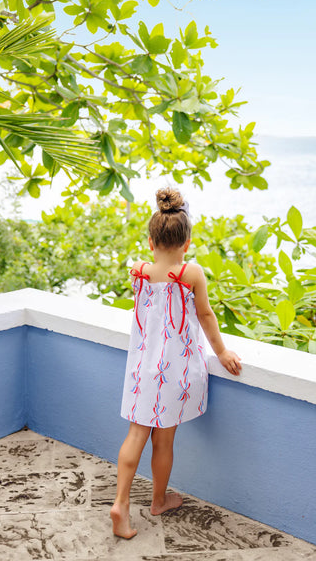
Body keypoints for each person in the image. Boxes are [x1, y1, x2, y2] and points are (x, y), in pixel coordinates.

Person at [110, 187, 242, 539]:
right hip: (174, 373)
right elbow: (206, 316)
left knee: (136, 433)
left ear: (151, 241)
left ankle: (120, 504)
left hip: (142, 370)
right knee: (163, 441)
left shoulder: (139, 271)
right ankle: (158, 500)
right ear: (187, 242)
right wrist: (223, 352)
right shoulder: (191, 274)